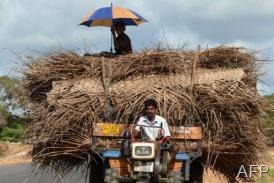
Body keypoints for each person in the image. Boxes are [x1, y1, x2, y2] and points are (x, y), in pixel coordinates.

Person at [133, 99, 179, 163]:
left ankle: (165, 163)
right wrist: (137, 132)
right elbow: (135, 134)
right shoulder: (142, 119)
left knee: (175, 147)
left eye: (151, 109)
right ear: (145, 110)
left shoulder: (161, 121)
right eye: (147, 109)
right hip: (146, 143)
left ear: (155, 110)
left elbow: (167, 137)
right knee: (127, 145)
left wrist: (160, 140)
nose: (149, 111)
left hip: (159, 143)